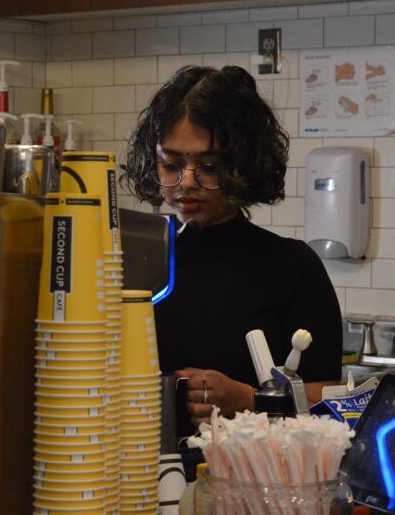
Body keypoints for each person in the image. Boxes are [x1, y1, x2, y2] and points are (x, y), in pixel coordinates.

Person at [121, 65, 342, 439]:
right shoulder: (132, 256)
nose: (186, 183)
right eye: (171, 164)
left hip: (247, 481)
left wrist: (251, 399)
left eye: (209, 167)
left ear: (245, 163)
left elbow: (334, 403)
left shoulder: (290, 266)